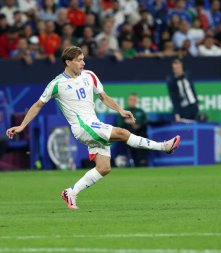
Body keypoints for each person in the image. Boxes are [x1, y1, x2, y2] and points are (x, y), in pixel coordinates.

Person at [6, 46, 181, 209]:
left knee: (104, 167)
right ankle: (163, 147)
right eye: (79, 60)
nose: (83, 63)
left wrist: (120, 109)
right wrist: (22, 126)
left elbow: (103, 97)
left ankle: (71, 192)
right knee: (123, 132)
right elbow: (38, 105)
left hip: (94, 123)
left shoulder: (89, 75)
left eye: (83, 59)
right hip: (83, 127)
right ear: (68, 62)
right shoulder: (57, 84)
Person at [115, 93, 148, 167]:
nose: (132, 101)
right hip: (127, 136)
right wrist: (127, 122)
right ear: (128, 100)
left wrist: (137, 124)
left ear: (136, 101)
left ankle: (142, 161)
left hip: (140, 134)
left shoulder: (140, 111)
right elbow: (119, 124)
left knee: (142, 135)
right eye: (131, 99)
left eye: (134, 100)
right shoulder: (123, 111)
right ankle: (130, 161)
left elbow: (145, 122)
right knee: (129, 130)